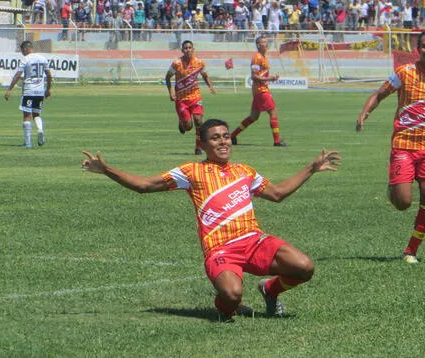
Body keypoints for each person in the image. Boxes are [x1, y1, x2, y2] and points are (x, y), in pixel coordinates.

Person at [81, 119, 341, 322]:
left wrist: (311, 168)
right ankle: (227, 307)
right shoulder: (191, 172)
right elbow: (145, 185)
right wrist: (107, 170)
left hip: (253, 241)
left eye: (226, 136)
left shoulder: (245, 171)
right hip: (221, 250)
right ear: (202, 144)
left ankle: (270, 290)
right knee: (231, 295)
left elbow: (277, 194)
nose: (223, 142)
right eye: (215, 138)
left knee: (304, 267)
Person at [356, 31, 425, 264]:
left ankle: (411, 250)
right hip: (404, 145)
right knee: (403, 202)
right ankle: (394, 190)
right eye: (424, 46)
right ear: (418, 49)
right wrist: (365, 113)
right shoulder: (404, 73)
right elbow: (380, 94)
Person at [231, 36, 287, 147]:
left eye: (267, 42)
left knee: (253, 117)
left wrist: (270, 77)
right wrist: (270, 79)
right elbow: (254, 76)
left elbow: (260, 75)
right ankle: (277, 141)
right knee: (273, 112)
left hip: (259, 91)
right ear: (258, 45)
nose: (266, 44)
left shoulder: (263, 57)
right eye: (263, 42)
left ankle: (233, 135)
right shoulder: (257, 57)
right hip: (261, 90)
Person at [165, 40, 216, 155]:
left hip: (195, 96)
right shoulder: (177, 63)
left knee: (198, 121)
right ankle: (182, 122)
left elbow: (205, 75)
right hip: (182, 99)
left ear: (193, 49)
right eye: (185, 48)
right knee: (188, 127)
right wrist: (171, 92)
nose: (188, 50)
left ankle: (198, 147)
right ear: (182, 50)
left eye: (190, 47)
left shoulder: (199, 63)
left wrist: (210, 86)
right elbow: (167, 77)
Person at [4, 41, 52, 148]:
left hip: (29, 90)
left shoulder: (26, 59)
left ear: (25, 49)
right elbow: (48, 74)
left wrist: (9, 89)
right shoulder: (42, 58)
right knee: (36, 114)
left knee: (26, 116)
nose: (22, 52)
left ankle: (28, 142)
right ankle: (40, 129)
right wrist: (48, 89)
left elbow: (18, 75)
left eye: (22, 50)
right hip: (40, 91)